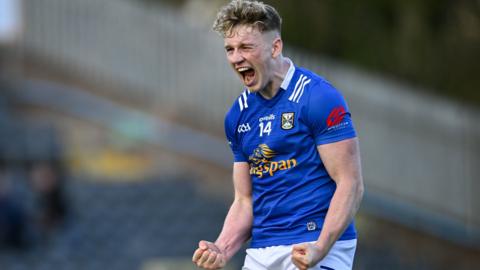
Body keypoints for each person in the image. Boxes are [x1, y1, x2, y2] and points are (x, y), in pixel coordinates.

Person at [192, 1, 364, 269]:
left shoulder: (318, 97)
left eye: (246, 47)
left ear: (275, 47)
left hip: (315, 243)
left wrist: (320, 247)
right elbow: (244, 199)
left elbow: (350, 184)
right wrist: (222, 248)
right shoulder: (237, 116)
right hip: (262, 248)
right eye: (230, 49)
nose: (236, 58)